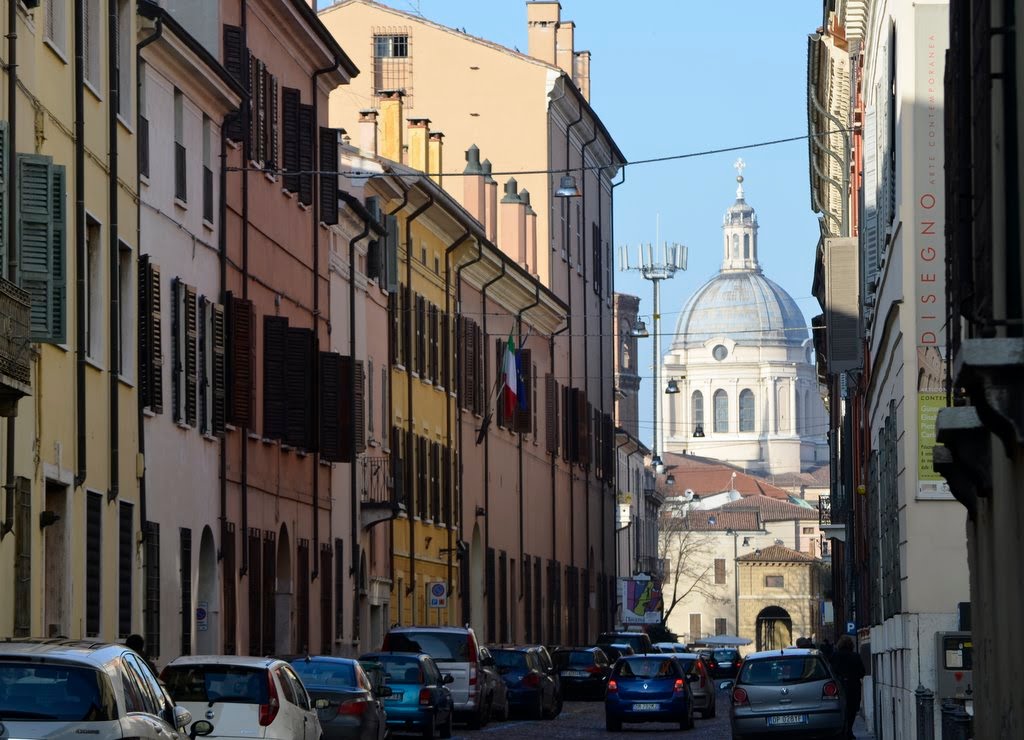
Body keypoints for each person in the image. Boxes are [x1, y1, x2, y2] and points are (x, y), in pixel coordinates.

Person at [830, 635, 866, 739]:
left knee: (842, 709)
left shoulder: (835, 656)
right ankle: (849, 730)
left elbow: (831, 671)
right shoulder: (855, 656)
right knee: (852, 710)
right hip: (853, 686)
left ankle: (843, 731)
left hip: (840, 686)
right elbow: (862, 672)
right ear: (851, 644)